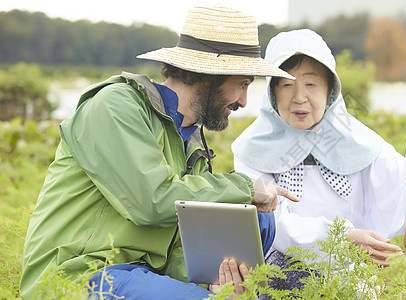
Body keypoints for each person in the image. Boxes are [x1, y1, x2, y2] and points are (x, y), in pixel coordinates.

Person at [19, 6, 299, 300]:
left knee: (259, 223)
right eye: (242, 85)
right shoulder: (115, 106)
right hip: (79, 275)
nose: (243, 101)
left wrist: (210, 286)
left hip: (140, 276)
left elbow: (178, 248)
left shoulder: (192, 143)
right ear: (209, 74)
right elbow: (151, 201)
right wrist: (244, 187)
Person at [231, 29, 406, 290]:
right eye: (287, 85)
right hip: (278, 278)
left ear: (331, 91)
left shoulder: (359, 142)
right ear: (272, 92)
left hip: (348, 277)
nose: (299, 97)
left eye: (311, 84)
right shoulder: (253, 147)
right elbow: (272, 225)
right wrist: (340, 239)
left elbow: (403, 199)